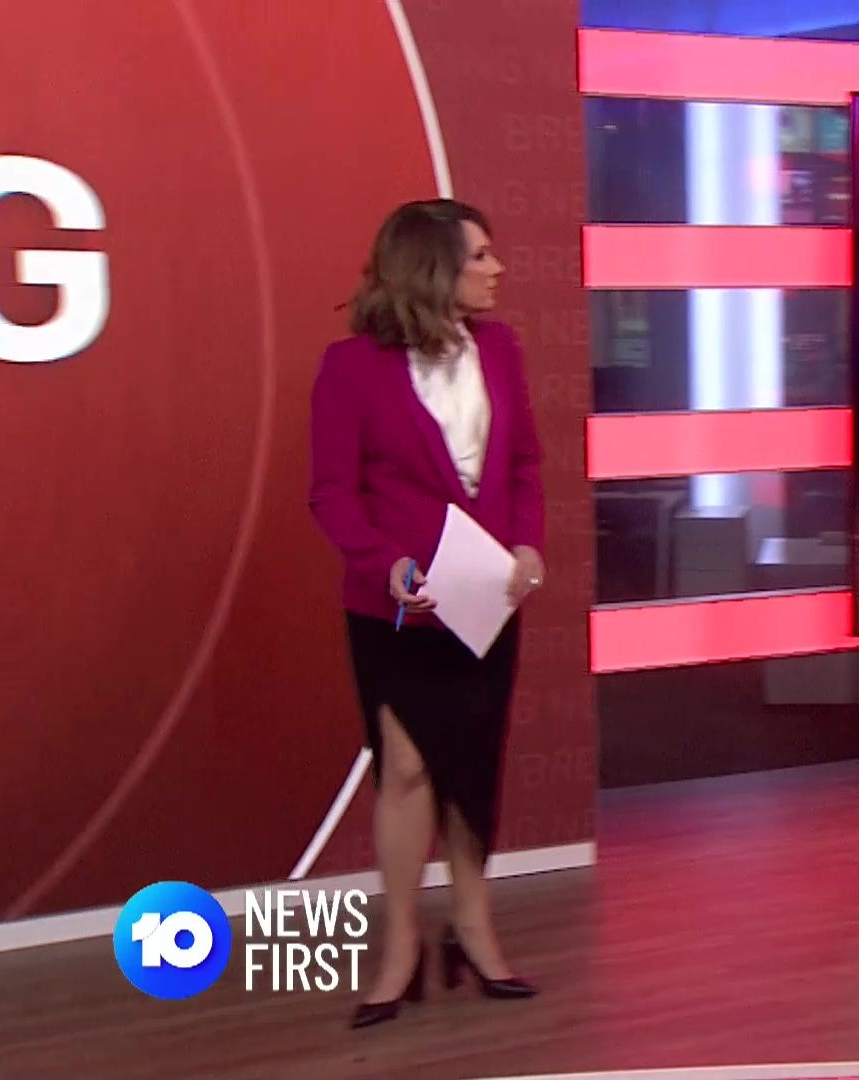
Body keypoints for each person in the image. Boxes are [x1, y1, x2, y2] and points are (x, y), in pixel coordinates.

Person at [309, 199, 545, 1028]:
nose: (496, 269)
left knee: (474, 765)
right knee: (406, 768)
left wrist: (527, 544)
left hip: (486, 599)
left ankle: (473, 929)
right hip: (398, 606)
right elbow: (331, 493)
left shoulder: (502, 349)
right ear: (432, 268)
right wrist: (385, 566)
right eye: (479, 256)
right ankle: (401, 943)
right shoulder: (351, 368)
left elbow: (523, 465)